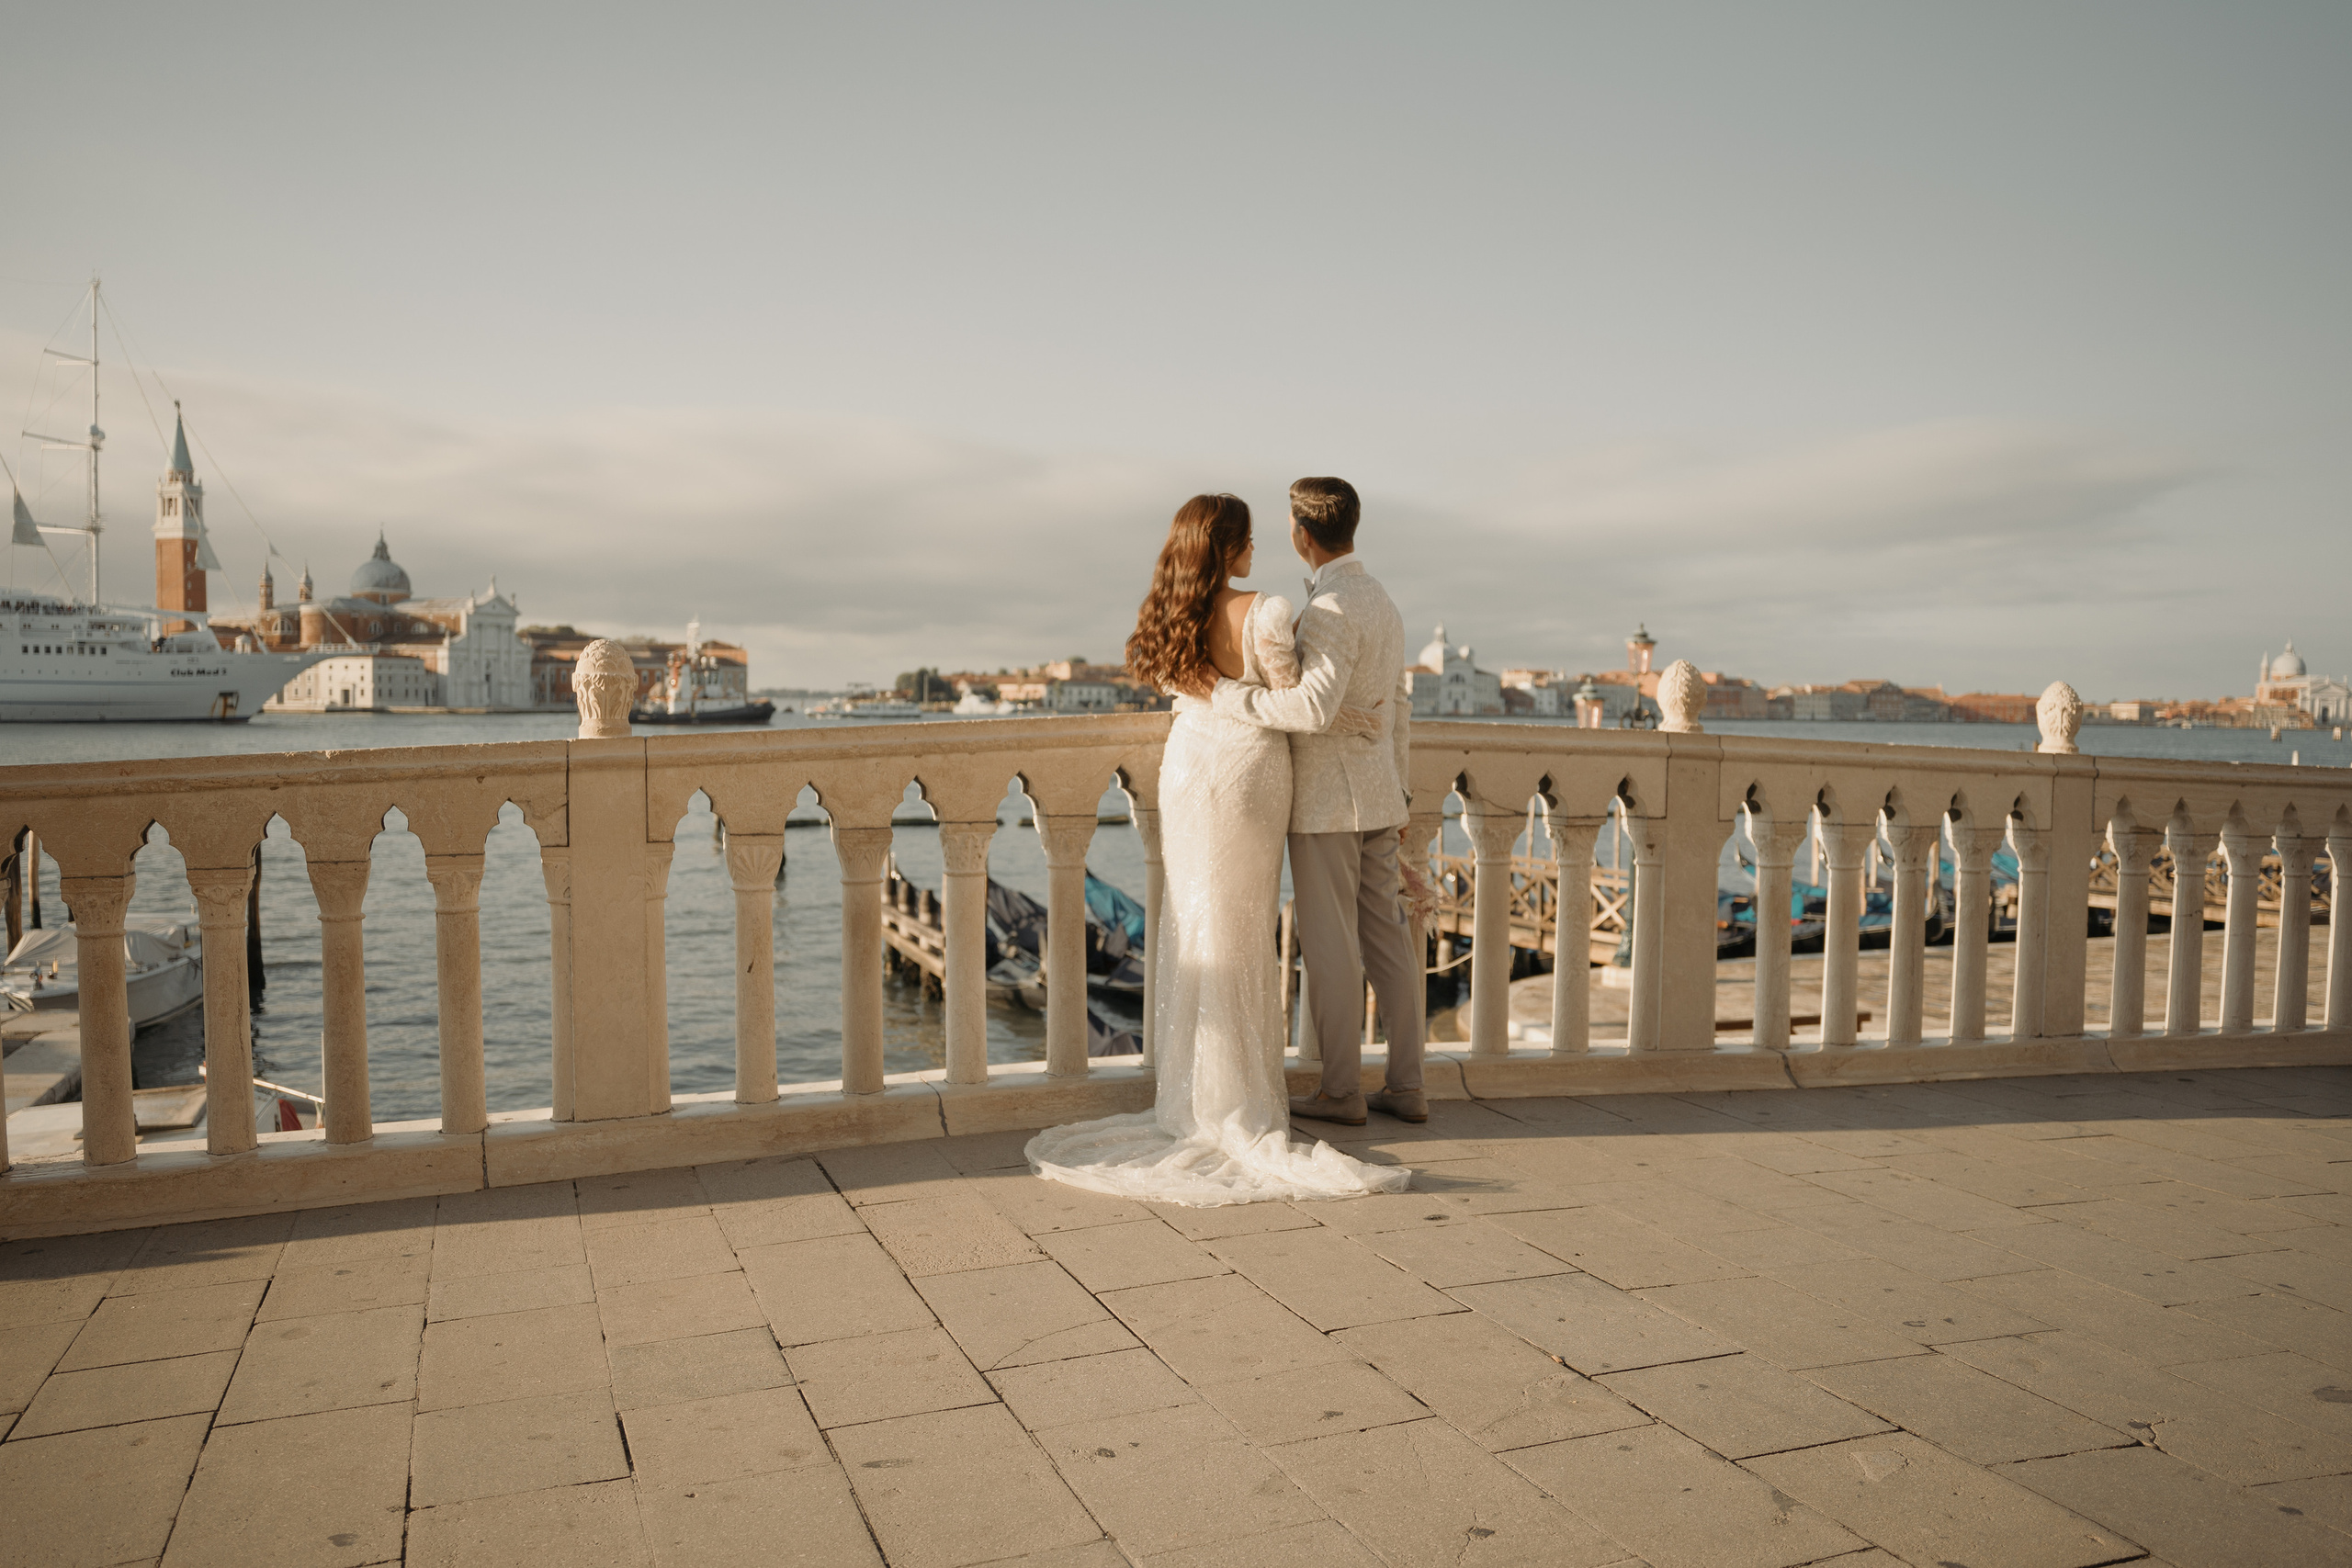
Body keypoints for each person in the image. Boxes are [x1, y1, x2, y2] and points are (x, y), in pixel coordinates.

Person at [1023, 493, 1409, 1205]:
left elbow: (1194, 688)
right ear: (1227, 545)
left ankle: (1195, 1095)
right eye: (1249, 539)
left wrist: (1219, 692)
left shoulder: (1168, 611)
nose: (1258, 549)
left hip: (1188, 768)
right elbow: (1299, 706)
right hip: (1248, 775)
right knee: (1240, 926)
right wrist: (1347, 713)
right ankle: (1238, 1098)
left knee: (1197, 920)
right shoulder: (1264, 612)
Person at [1208, 477, 1425, 1127]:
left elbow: (1311, 705)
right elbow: (1399, 711)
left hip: (1331, 803)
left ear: (1302, 536)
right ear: (1351, 527)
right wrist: (1402, 788)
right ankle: (1409, 1085)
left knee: (1330, 949)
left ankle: (1341, 1090)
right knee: (1388, 942)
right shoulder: (1383, 601)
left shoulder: (1330, 608)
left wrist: (1226, 697)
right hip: (1381, 794)